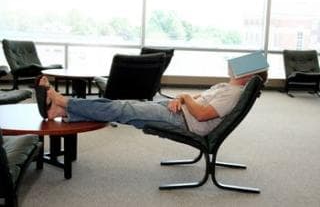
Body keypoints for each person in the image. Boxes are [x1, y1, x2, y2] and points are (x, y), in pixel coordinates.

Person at [36, 71, 267, 136]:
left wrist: (184, 97)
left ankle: (62, 101)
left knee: (121, 109)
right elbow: (197, 101)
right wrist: (180, 98)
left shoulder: (233, 93)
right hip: (178, 110)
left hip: (184, 120)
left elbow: (203, 114)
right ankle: (64, 111)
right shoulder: (225, 87)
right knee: (123, 107)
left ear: (248, 74)